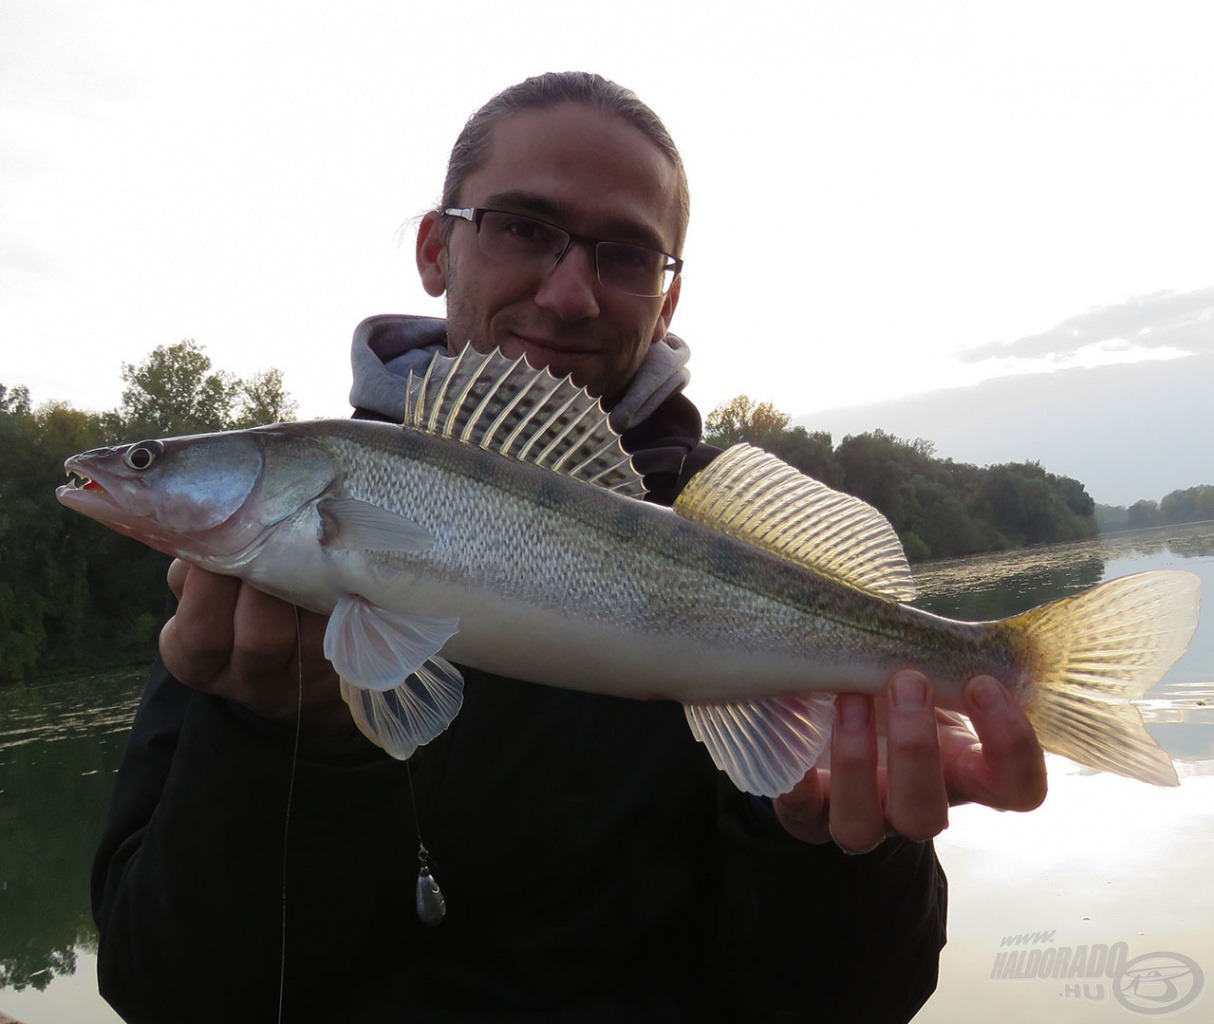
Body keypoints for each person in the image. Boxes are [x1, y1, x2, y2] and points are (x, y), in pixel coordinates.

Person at [91, 72, 1048, 1024]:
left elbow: (852, 1003)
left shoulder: (731, 542)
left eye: (626, 255)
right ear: (437, 245)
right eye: (521, 227)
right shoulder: (253, 599)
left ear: (667, 299)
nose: (568, 291)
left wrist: (837, 843)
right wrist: (277, 742)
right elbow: (167, 994)